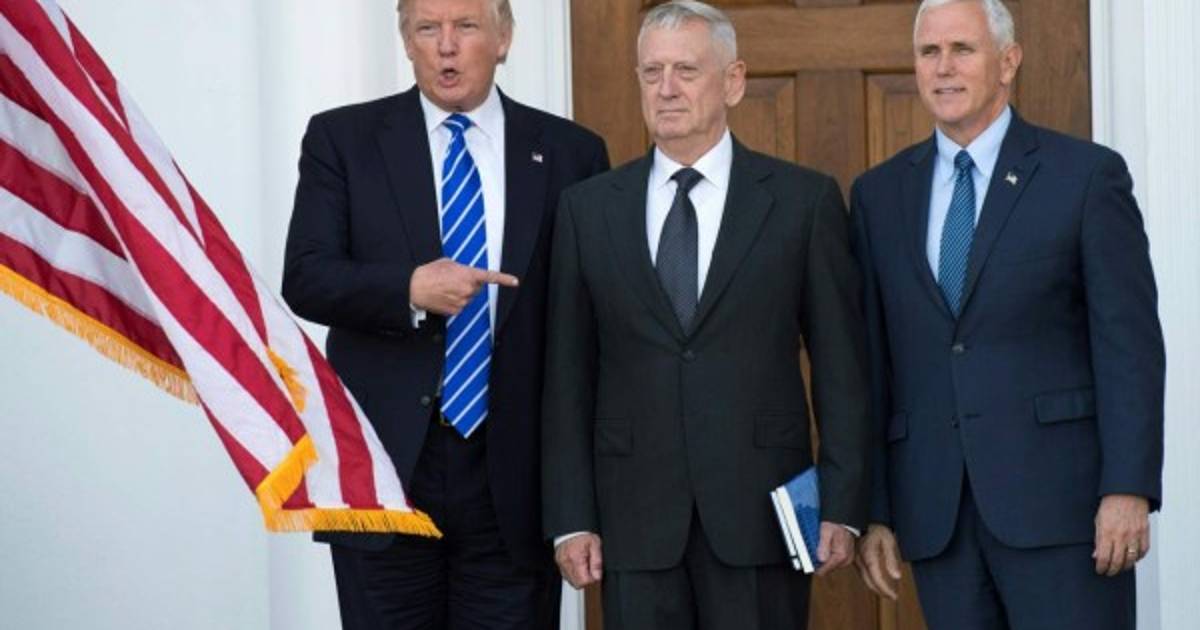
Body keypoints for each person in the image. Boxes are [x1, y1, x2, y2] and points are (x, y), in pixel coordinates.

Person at [281, 0, 609, 627]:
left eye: (466, 26)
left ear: (504, 39)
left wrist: (578, 501)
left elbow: (589, 325)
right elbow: (307, 277)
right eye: (428, 28)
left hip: (514, 479)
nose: (446, 45)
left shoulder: (572, 152)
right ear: (407, 42)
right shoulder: (343, 140)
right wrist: (408, 288)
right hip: (386, 474)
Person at [541, 2, 869, 627]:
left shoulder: (802, 202)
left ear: (734, 81)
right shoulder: (588, 210)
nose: (666, 88)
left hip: (762, 514)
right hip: (633, 519)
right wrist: (571, 518)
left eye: (686, 70)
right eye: (652, 72)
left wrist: (844, 504)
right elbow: (567, 375)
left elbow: (842, 368)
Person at [849, 1, 1165, 628]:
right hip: (938, 516)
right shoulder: (879, 195)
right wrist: (876, 509)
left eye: (962, 49)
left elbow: (1128, 347)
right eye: (929, 52)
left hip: (1065, 514)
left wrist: (1127, 487)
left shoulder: (1085, 177)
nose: (943, 67)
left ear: (1008, 61)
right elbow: (874, 365)